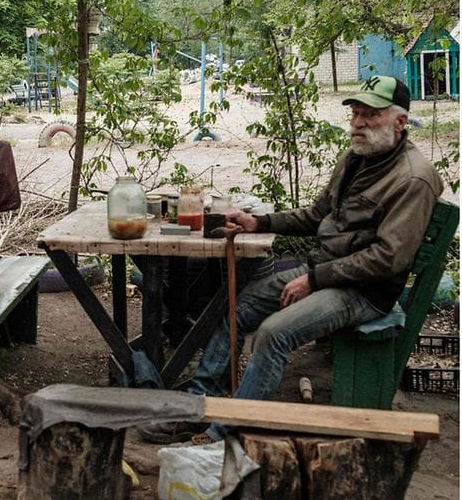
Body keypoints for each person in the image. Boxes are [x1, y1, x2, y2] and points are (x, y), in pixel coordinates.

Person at [138, 75, 444, 445]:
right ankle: (203, 403)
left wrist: (314, 280)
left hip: (363, 291)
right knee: (232, 306)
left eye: (372, 115)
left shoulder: (413, 179)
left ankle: (227, 434)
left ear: (400, 122)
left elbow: (388, 258)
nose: (359, 123)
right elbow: (316, 215)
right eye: (356, 114)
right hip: (324, 271)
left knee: (273, 334)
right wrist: (258, 222)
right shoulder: (355, 158)